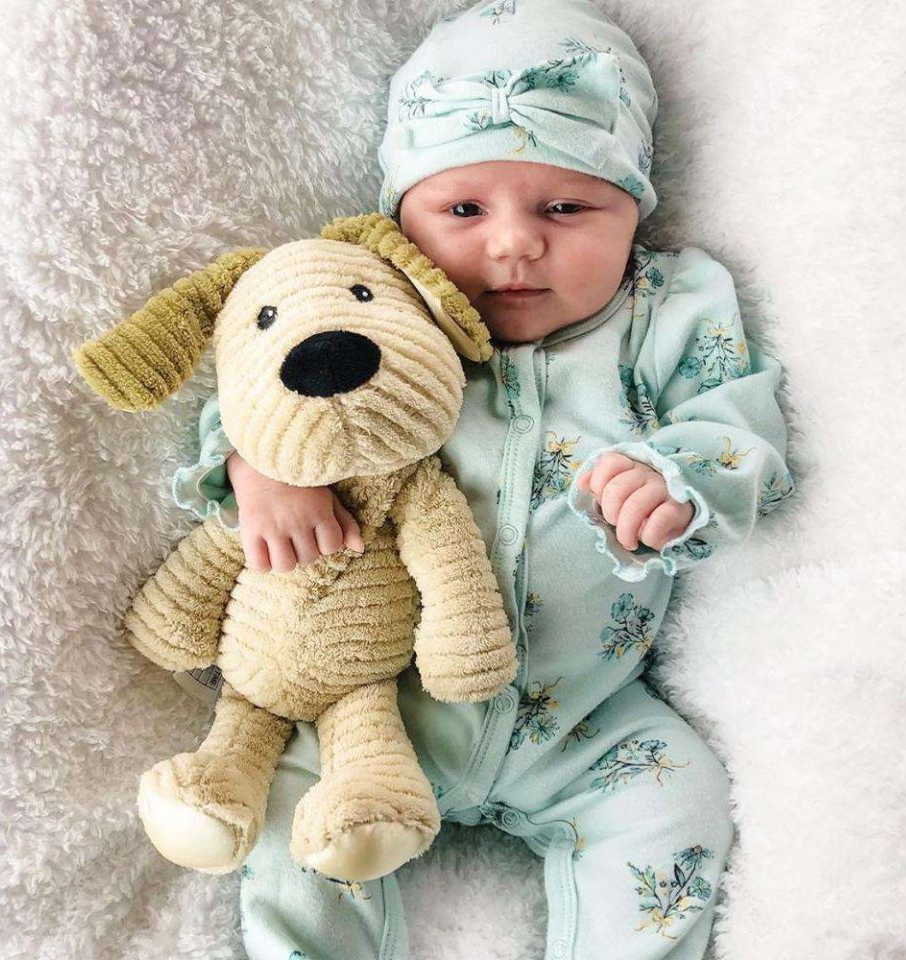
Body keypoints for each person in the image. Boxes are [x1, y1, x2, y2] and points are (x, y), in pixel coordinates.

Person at [172, 1, 796, 956]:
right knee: (290, 821)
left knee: (677, 798)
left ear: (635, 208)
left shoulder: (665, 310)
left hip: (586, 721)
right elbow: (265, 377)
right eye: (464, 211)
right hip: (373, 713)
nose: (513, 244)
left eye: (566, 209)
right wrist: (259, 467)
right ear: (401, 220)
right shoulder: (377, 301)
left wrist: (676, 480)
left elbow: (739, 424)